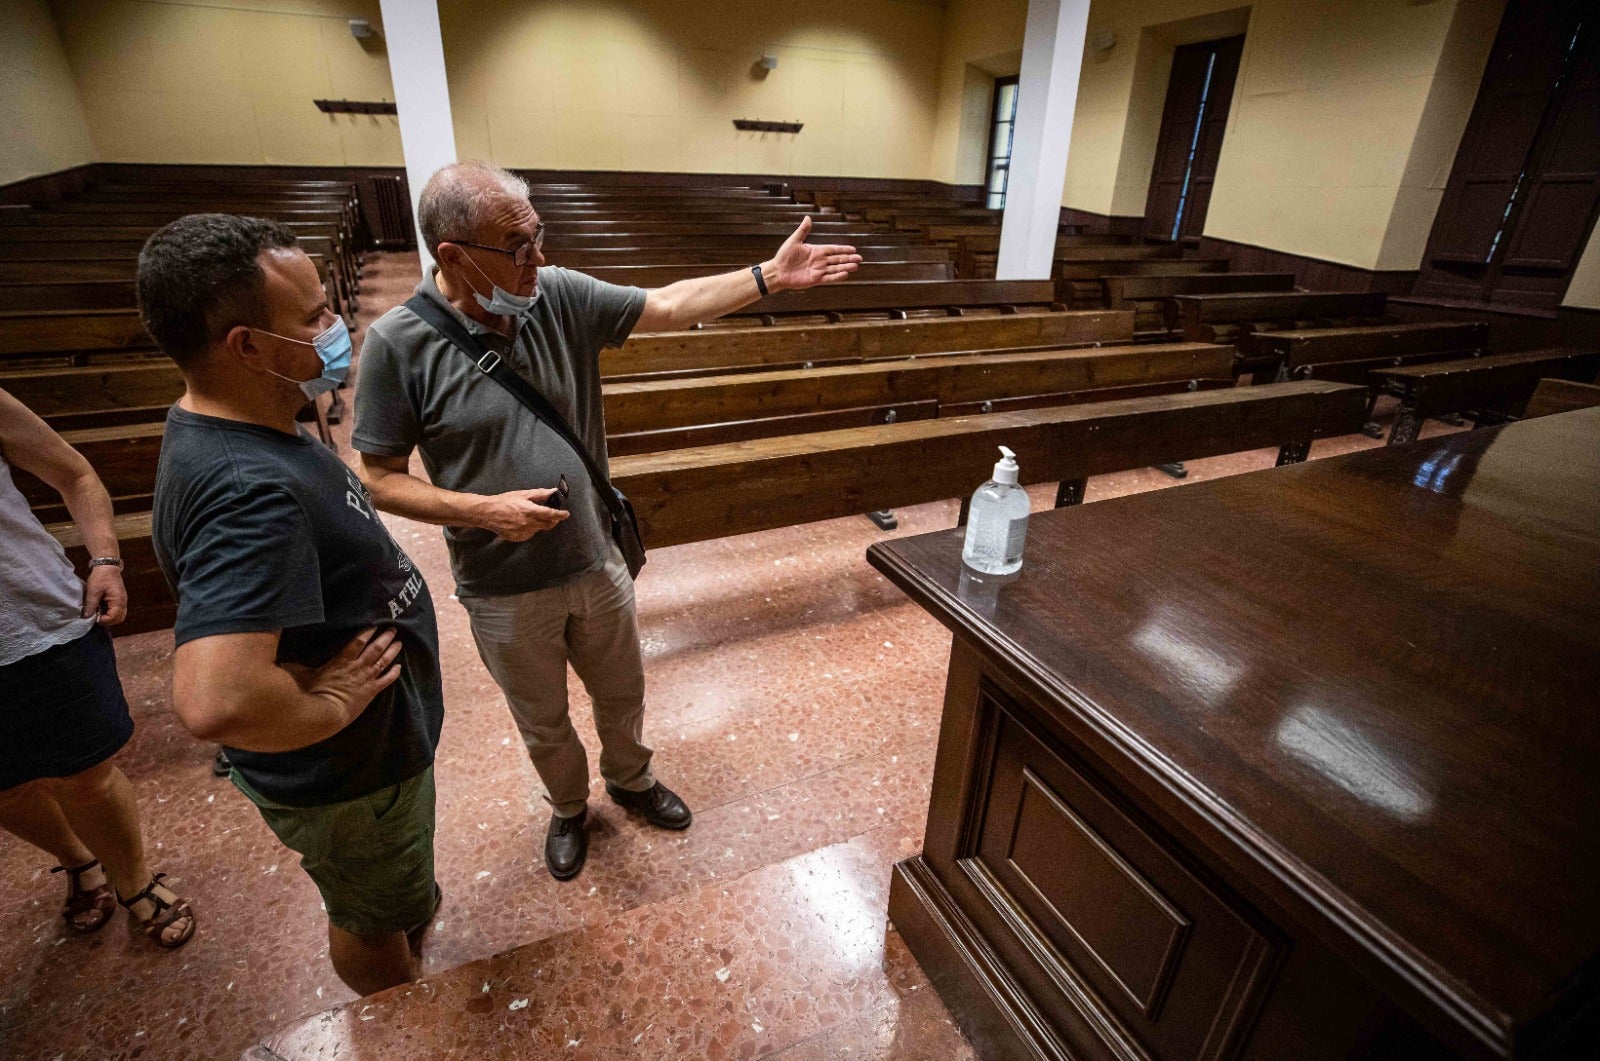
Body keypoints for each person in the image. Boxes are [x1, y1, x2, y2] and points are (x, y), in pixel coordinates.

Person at [353, 162, 861, 880]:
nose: (539, 261)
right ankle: (568, 806)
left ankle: (630, 777)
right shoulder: (398, 345)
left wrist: (766, 277)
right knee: (543, 719)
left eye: (539, 238)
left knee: (622, 692)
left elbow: (667, 303)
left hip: (594, 558)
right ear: (454, 257)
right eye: (518, 247)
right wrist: (481, 511)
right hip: (501, 586)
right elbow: (377, 476)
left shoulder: (554, 296)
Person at [140, 213, 444, 995]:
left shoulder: (245, 420)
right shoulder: (249, 492)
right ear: (245, 345)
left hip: (366, 767)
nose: (337, 325)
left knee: (389, 890)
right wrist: (332, 703)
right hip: (349, 777)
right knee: (367, 914)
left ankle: (405, 907)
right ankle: (400, 1005)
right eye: (312, 316)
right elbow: (215, 699)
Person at [0, 387, 196, 949]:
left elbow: (75, 475)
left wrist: (105, 559)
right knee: (6, 788)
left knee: (84, 775)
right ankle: (79, 862)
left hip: (33, 621)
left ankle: (133, 883)